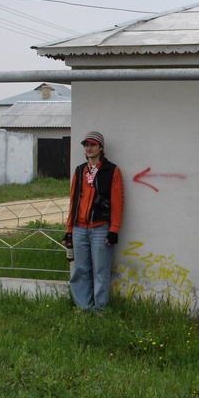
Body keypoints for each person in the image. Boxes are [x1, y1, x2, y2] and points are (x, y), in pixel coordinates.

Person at [62, 131, 124, 310]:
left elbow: (117, 202)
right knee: (80, 269)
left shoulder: (112, 170)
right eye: (86, 145)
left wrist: (114, 229)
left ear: (101, 148)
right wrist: (69, 229)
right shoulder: (80, 170)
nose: (89, 148)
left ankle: (100, 309)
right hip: (79, 228)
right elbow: (73, 201)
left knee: (101, 270)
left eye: (93, 145)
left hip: (100, 228)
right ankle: (83, 307)